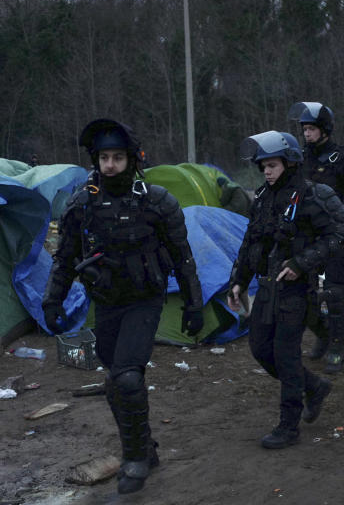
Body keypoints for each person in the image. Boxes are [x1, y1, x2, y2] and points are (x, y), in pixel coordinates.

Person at [42, 119, 204, 494]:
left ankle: (135, 459)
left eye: (117, 157)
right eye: (104, 158)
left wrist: (193, 305)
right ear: (95, 160)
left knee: (128, 376)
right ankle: (146, 447)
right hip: (107, 304)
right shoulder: (82, 204)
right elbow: (64, 258)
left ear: (132, 159)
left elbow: (183, 257)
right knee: (117, 383)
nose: (110, 165)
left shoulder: (157, 201)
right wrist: (52, 301)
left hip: (145, 301)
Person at [225, 130, 344, 449]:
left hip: (296, 291)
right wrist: (237, 280)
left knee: (286, 354)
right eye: (263, 165)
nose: (266, 170)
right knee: (260, 349)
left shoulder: (313, 195)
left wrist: (301, 263)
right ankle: (315, 387)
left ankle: (289, 426)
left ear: (289, 164)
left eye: (272, 165)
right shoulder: (263, 197)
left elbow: (336, 237)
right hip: (266, 288)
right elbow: (252, 241)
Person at [288, 101, 344, 374]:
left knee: (335, 293)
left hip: (336, 235)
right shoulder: (299, 158)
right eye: (304, 129)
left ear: (325, 130)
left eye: (311, 129)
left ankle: (337, 345)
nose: (307, 134)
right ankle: (322, 333)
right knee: (305, 297)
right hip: (306, 238)